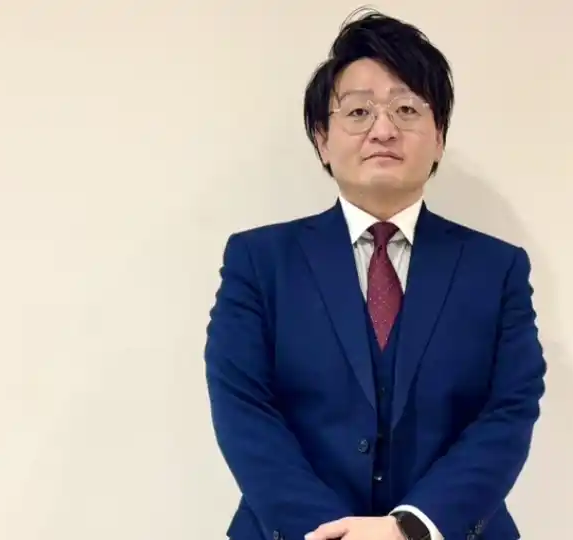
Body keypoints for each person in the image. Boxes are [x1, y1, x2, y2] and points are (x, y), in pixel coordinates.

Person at [204, 8, 547, 540]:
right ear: (322, 138)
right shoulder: (259, 261)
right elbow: (244, 410)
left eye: (406, 108)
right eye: (359, 111)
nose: (383, 129)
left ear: (439, 137)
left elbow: (509, 411)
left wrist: (412, 528)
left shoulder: (496, 268)